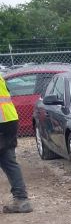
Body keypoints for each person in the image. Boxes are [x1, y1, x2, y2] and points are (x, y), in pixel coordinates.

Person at [0, 75, 33, 213]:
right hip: (9, 119)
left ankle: (21, 199)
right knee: (8, 161)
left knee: (8, 161)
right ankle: (22, 200)